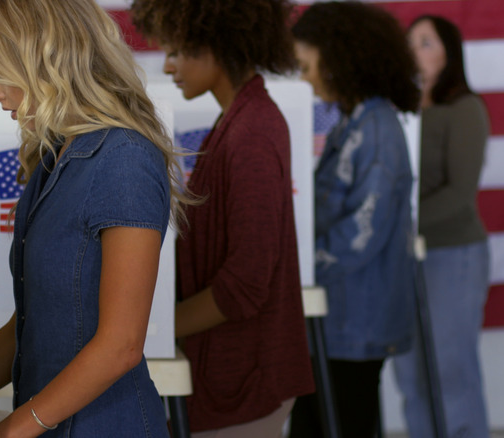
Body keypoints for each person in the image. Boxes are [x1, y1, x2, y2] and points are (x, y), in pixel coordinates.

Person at [0, 1, 194, 436]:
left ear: (39, 57)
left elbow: (120, 345)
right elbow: (30, 322)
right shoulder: (53, 157)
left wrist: (13, 429)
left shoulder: (124, 157)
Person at [130, 1, 315, 436]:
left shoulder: (251, 132)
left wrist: (150, 332)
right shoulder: (239, 121)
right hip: (235, 372)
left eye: (177, 51)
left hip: (248, 378)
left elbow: (247, 282)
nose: (169, 66)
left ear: (216, 44)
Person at [289, 2, 421, 437]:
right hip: (338, 316)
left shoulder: (376, 129)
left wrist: (301, 268)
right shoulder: (352, 122)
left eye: (308, 66)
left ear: (341, 60)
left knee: (342, 420)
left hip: (356, 319)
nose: (305, 78)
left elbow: (362, 233)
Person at [392, 15, 491, 438]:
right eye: (411, 41)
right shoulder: (398, 109)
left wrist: (395, 228)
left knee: (451, 368)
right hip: (402, 257)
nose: (415, 49)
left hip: (452, 255)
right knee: (410, 373)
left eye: (426, 42)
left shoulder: (465, 109)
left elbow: (459, 194)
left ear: (449, 54)